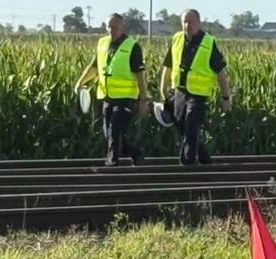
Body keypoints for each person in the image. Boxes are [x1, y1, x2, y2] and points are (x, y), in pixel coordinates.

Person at [74, 13, 149, 166]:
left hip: (126, 98)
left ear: (122, 27)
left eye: (114, 27)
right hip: (107, 96)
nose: (111, 30)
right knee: (108, 134)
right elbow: (94, 67)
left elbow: (140, 75)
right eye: (108, 27)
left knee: (114, 130)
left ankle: (111, 164)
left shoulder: (132, 46)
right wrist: (80, 82)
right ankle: (136, 154)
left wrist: (143, 99)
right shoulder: (102, 43)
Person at [160, 9, 233, 165]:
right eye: (185, 22)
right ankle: (206, 161)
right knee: (182, 127)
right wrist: (163, 89)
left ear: (199, 23)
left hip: (198, 94)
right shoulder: (177, 39)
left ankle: (188, 165)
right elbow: (168, 65)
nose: (187, 25)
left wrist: (226, 97)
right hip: (179, 91)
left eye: (191, 22)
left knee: (191, 127)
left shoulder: (208, 42)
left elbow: (221, 73)